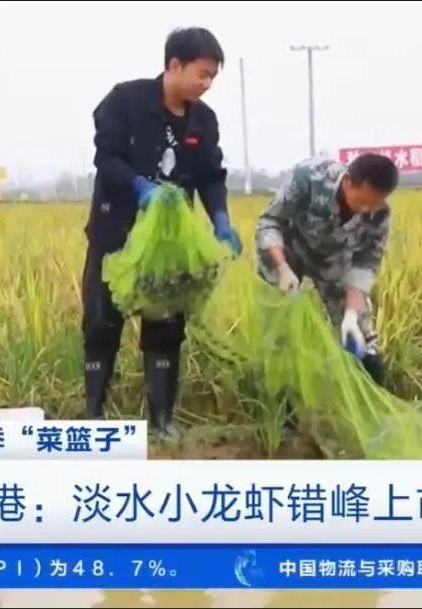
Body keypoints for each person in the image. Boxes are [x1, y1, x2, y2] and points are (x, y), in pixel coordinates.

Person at [82, 27, 242, 438]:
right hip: (117, 229)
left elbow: (210, 175)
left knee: (167, 325)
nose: (207, 84)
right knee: (102, 321)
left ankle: (162, 421)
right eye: (202, 74)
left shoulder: (203, 120)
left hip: (172, 242)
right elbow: (107, 158)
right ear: (174, 65)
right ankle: (94, 415)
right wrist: (140, 188)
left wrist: (220, 219)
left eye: (212, 77)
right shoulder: (126, 100)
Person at [254, 153, 399, 393]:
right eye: (361, 202)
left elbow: (364, 266)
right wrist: (282, 268)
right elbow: (269, 222)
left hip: (333, 257)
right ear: (348, 182)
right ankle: (280, 399)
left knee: (360, 335)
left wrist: (350, 314)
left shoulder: (379, 214)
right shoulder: (309, 178)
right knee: (278, 327)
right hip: (287, 248)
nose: (366, 209)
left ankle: (363, 395)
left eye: (374, 203)